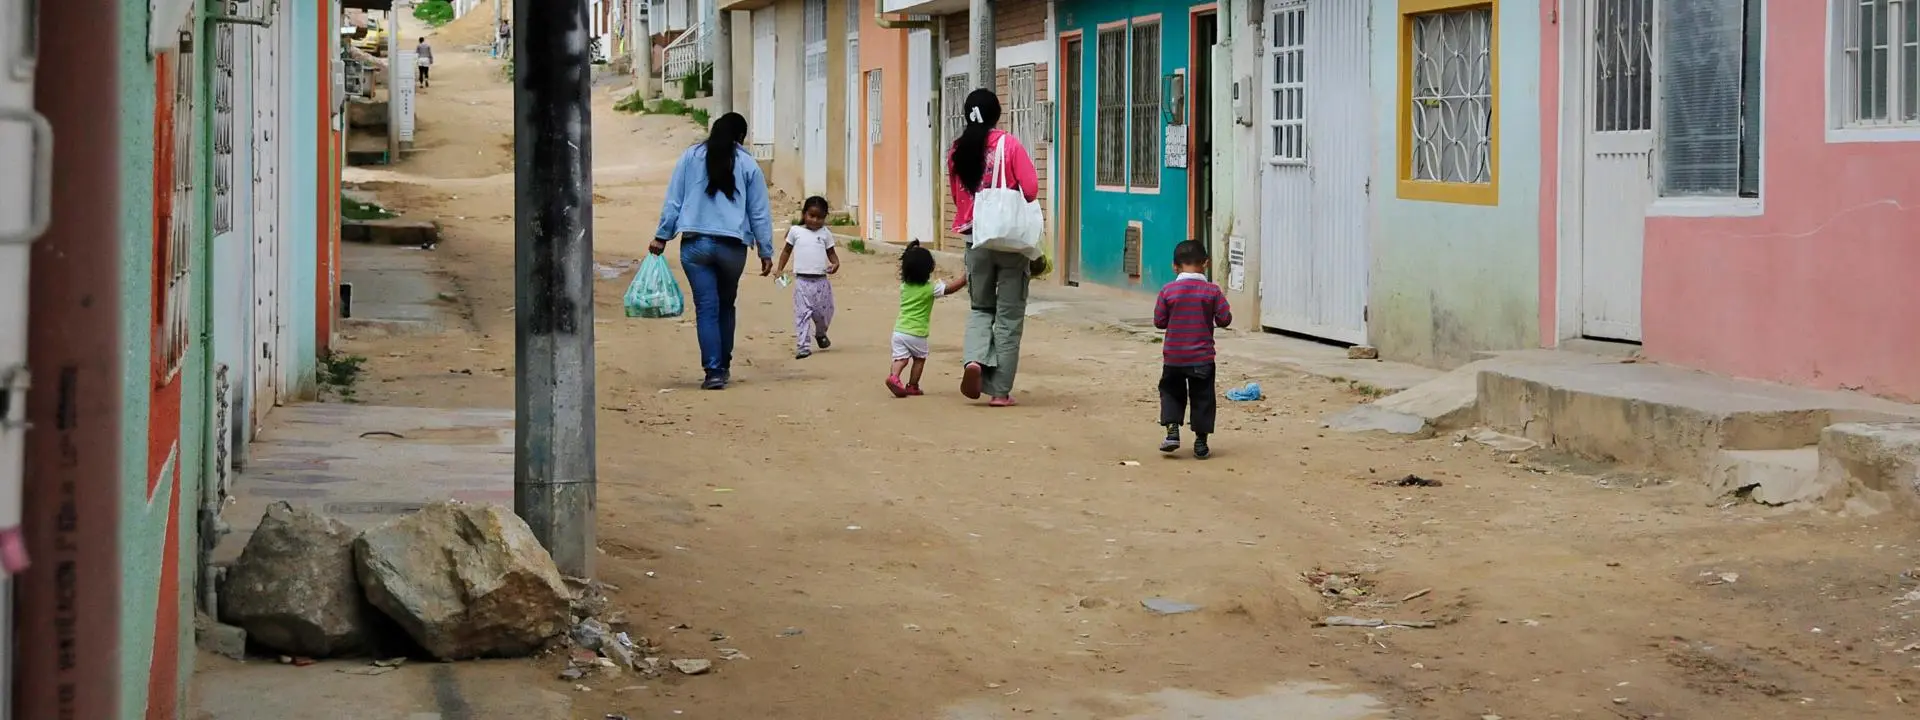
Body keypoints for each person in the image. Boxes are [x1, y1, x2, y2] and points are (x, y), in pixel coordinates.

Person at [651, 113, 775, 390]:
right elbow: (759, 213)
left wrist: (662, 236)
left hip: (695, 245)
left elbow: (674, 200)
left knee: (707, 308)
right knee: (726, 305)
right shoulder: (747, 164)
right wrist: (765, 251)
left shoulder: (689, 157)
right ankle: (725, 364)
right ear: (741, 136)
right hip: (732, 247)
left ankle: (714, 371)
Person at [948, 89, 1040, 407]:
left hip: (975, 238)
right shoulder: (1008, 144)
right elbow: (1030, 190)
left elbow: (956, 195)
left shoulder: (957, 151)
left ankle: (974, 359)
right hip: (1009, 240)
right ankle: (999, 391)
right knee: (1009, 315)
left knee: (980, 307)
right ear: (996, 114)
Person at [1153, 240, 1233, 459]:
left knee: (1170, 392)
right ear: (1205, 264)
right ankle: (1201, 442)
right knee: (1203, 397)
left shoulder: (1168, 291)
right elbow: (1225, 318)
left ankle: (1172, 431)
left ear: (1174, 266)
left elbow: (1159, 321)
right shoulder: (1212, 291)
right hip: (1202, 358)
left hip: (1174, 358)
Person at [888, 241, 967, 398]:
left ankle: (894, 377)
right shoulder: (931, 288)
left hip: (899, 332)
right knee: (919, 359)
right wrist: (965, 278)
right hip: (917, 333)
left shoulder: (904, 286)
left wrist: (910, 250)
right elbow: (950, 288)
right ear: (929, 269)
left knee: (901, 359)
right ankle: (913, 385)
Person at [774, 196, 841, 359]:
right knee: (802, 315)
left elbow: (831, 253)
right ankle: (803, 346)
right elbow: (786, 251)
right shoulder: (796, 231)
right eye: (812, 215)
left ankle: (820, 333)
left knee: (824, 314)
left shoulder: (825, 234)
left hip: (821, 282)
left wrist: (835, 263)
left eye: (820, 217)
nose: (815, 220)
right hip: (802, 282)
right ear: (804, 214)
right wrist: (780, 270)